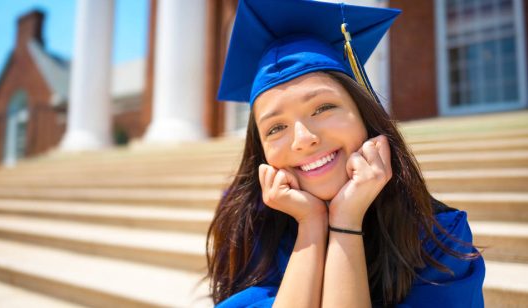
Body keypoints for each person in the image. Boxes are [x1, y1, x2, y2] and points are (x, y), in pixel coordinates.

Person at [205, 0, 485, 307]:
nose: (303, 139)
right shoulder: (251, 231)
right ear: (261, 153)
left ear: (365, 116)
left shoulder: (436, 239)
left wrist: (346, 219)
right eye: (275, 128)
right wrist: (311, 225)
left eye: (323, 108)